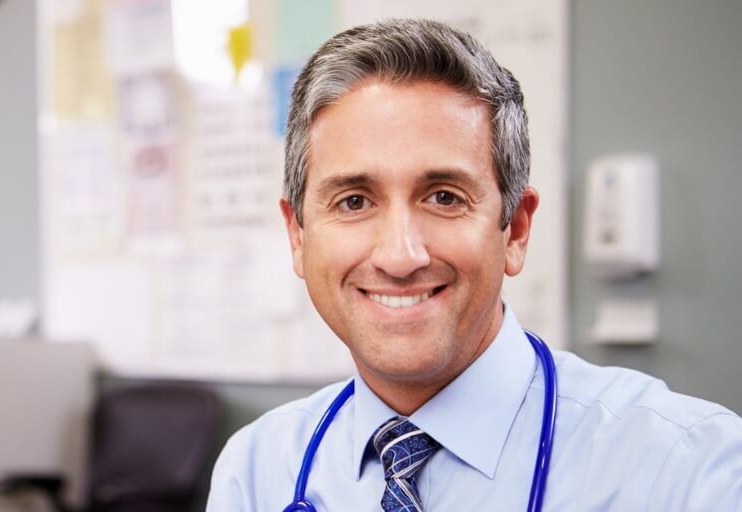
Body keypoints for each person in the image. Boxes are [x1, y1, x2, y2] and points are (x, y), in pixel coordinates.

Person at [206, 19, 742, 511]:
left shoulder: (690, 470)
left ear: (517, 229)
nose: (399, 255)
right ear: (297, 236)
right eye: (353, 201)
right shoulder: (256, 472)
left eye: (443, 197)